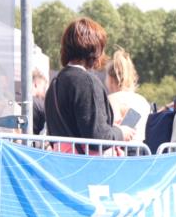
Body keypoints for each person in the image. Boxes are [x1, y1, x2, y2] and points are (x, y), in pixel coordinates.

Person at [44, 18, 135, 150]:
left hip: (61, 163)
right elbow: (98, 139)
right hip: (86, 166)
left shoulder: (55, 83)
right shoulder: (86, 82)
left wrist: (108, 126)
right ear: (95, 49)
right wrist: (121, 132)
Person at [106, 48, 150, 143]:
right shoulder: (143, 102)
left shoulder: (107, 101)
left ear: (110, 79)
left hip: (114, 154)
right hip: (141, 154)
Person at [31, 67, 48, 135]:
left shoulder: (16, 99)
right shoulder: (40, 105)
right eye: (43, 88)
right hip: (30, 143)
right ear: (35, 85)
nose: (44, 92)